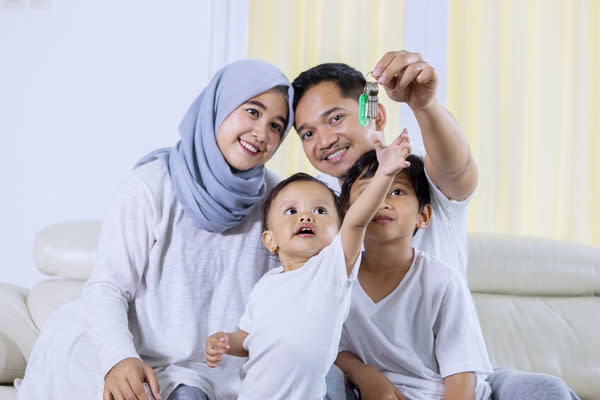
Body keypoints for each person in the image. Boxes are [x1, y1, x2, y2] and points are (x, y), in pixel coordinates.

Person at [292, 51, 579, 400]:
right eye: (307, 132)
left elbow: (456, 169)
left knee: (546, 392)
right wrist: (364, 375)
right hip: (363, 383)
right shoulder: (317, 209)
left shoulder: (422, 178)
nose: (323, 141)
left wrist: (424, 106)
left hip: (452, 377)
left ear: (375, 113)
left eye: (335, 118)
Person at [17, 59, 294, 400]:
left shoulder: (280, 200)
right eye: (253, 112)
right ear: (219, 106)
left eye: (277, 126)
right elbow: (108, 287)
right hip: (143, 358)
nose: (262, 133)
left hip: (226, 370)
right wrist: (119, 359)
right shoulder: (151, 186)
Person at [205, 131, 411, 399]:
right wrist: (224, 341)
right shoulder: (266, 285)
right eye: (292, 211)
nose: (306, 217)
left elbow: (357, 221)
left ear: (338, 233)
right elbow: (249, 338)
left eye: (320, 211)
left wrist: (385, 174)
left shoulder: (331, 270)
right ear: (270, 240)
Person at [339, 149, 493, 400]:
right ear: (346, 213)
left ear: (423, 216)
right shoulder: (335, 277)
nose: (382, 200)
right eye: (369, 191)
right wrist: (364, 373)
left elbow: (460, 378)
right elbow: (329, 347)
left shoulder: (442, 281)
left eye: (397, 191)